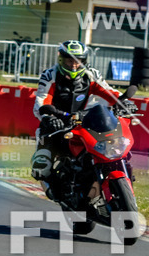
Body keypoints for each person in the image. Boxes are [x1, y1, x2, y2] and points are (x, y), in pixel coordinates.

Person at [29, 41, 123, 199]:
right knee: (41, 166)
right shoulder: (50, 75)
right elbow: (41, 100)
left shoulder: (91, 74)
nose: (74, 65)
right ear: (61, 60)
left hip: (81, 121)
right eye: (69, 60)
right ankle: (53, 187)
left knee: (107, 147)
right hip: (55, 123)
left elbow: (109, 91)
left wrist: (123, 102)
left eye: (78, 61)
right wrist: (48, 117)